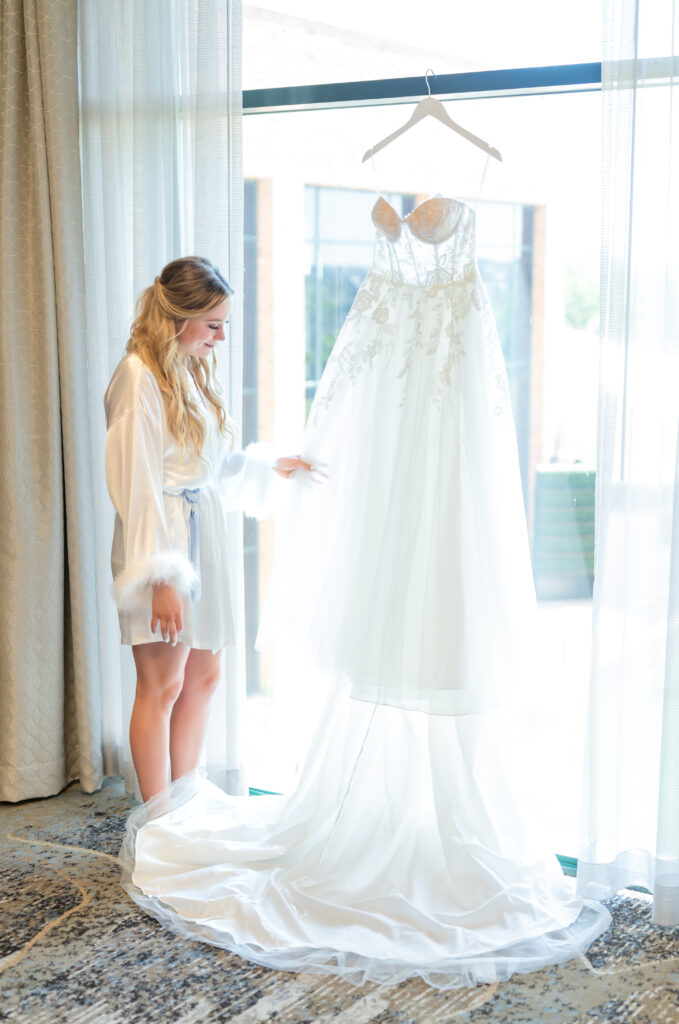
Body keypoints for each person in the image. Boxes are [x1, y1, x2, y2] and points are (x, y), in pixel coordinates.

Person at [104, 256, 315, 801]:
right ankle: (157, 822)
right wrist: (162, 577)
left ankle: (184, 801)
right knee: (162, 684)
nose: (221, 338)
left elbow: (211, 466)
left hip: (205, 534)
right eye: (214, 324)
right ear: (179, 317)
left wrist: (270, 465)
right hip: (164, 541)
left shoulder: (188, 371)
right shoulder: (138, 376)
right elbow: (139, 483)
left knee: (204, 678)